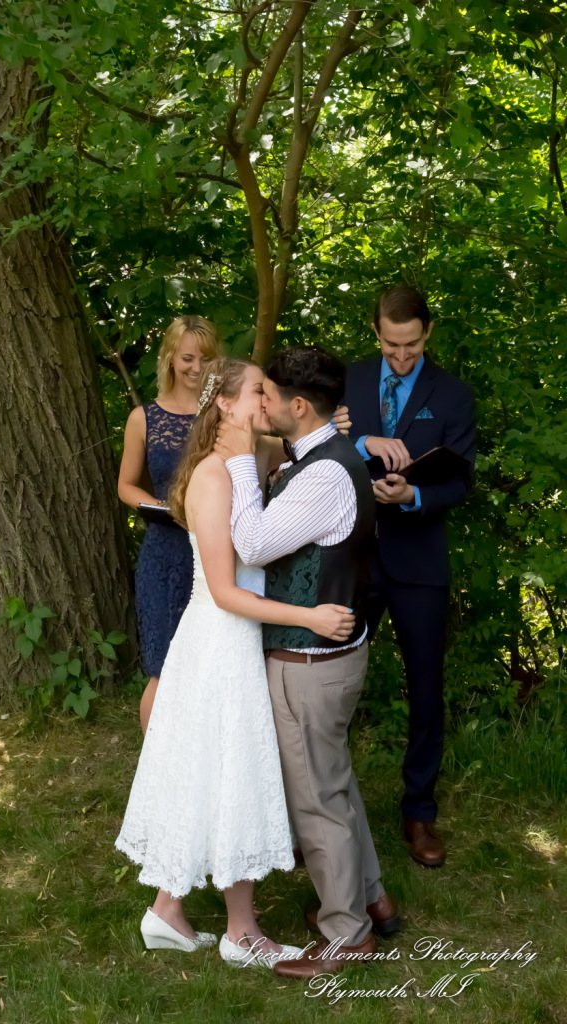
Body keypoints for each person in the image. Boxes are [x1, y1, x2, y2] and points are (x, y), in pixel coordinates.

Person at [115, 357, 356, 968]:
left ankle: (168, 910)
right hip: (220, 639)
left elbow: (302, 440)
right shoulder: (213, 477)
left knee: (213, 774)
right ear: (224, 403)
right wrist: (311, 617)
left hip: (237, 638)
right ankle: (240, 931)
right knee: (231, 776)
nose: (269, 402)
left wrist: (353, 432)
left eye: (273, 394)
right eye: (258, 392)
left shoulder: (253, 458)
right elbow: (224, 590)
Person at [214, 346, 400, 981]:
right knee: (335, 781)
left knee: (316, 798)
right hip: (330, 655)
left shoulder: (323, 475)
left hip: (311, 663)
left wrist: (240, 462)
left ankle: (345, 933)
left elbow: (255, 544)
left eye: (265, 394)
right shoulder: (320, 460)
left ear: (297, 406)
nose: (257, 403)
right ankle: (370, 897)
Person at [344, 285, 476, 867]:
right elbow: (306, 446)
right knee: (328, 687)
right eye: (391, 345)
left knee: (425, 689)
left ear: (428, 333)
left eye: (412, 345)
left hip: (419, 561)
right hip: (350, 555)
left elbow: (460, 482)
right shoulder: (345, 381)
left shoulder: (452, 395)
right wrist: (358, 440)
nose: (401, 357)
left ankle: (419, 811)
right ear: (376, 332)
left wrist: (413, 492)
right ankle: (322, 810)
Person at [118, 315, 222, 732]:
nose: (197, 368)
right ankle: (154, 781)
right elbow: (125, 485)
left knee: (208, 667)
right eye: (188, 358)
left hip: (213, 552)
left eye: (207, 358)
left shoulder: (222, 413)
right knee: (163, 669)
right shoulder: (144, 418)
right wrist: (157, 505)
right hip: (164, 552)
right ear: (170, 360)